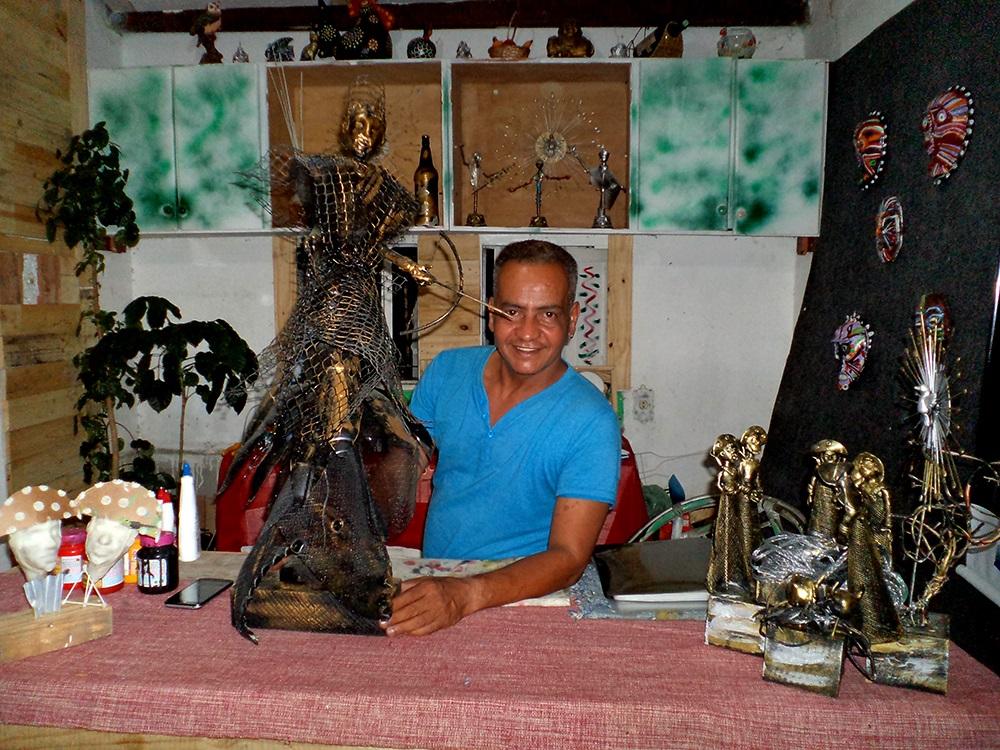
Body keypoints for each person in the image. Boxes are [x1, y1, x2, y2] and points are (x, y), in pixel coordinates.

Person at [383, 240, 621, 636]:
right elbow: (402, 465)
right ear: (491, 313)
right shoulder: (447, 371)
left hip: (528, 601)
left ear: (573, 319)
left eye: (548, 314)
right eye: (512, 312)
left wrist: (466, 595)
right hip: (436, 588)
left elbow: (569, 558)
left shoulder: (592, 421)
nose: (527, 332)